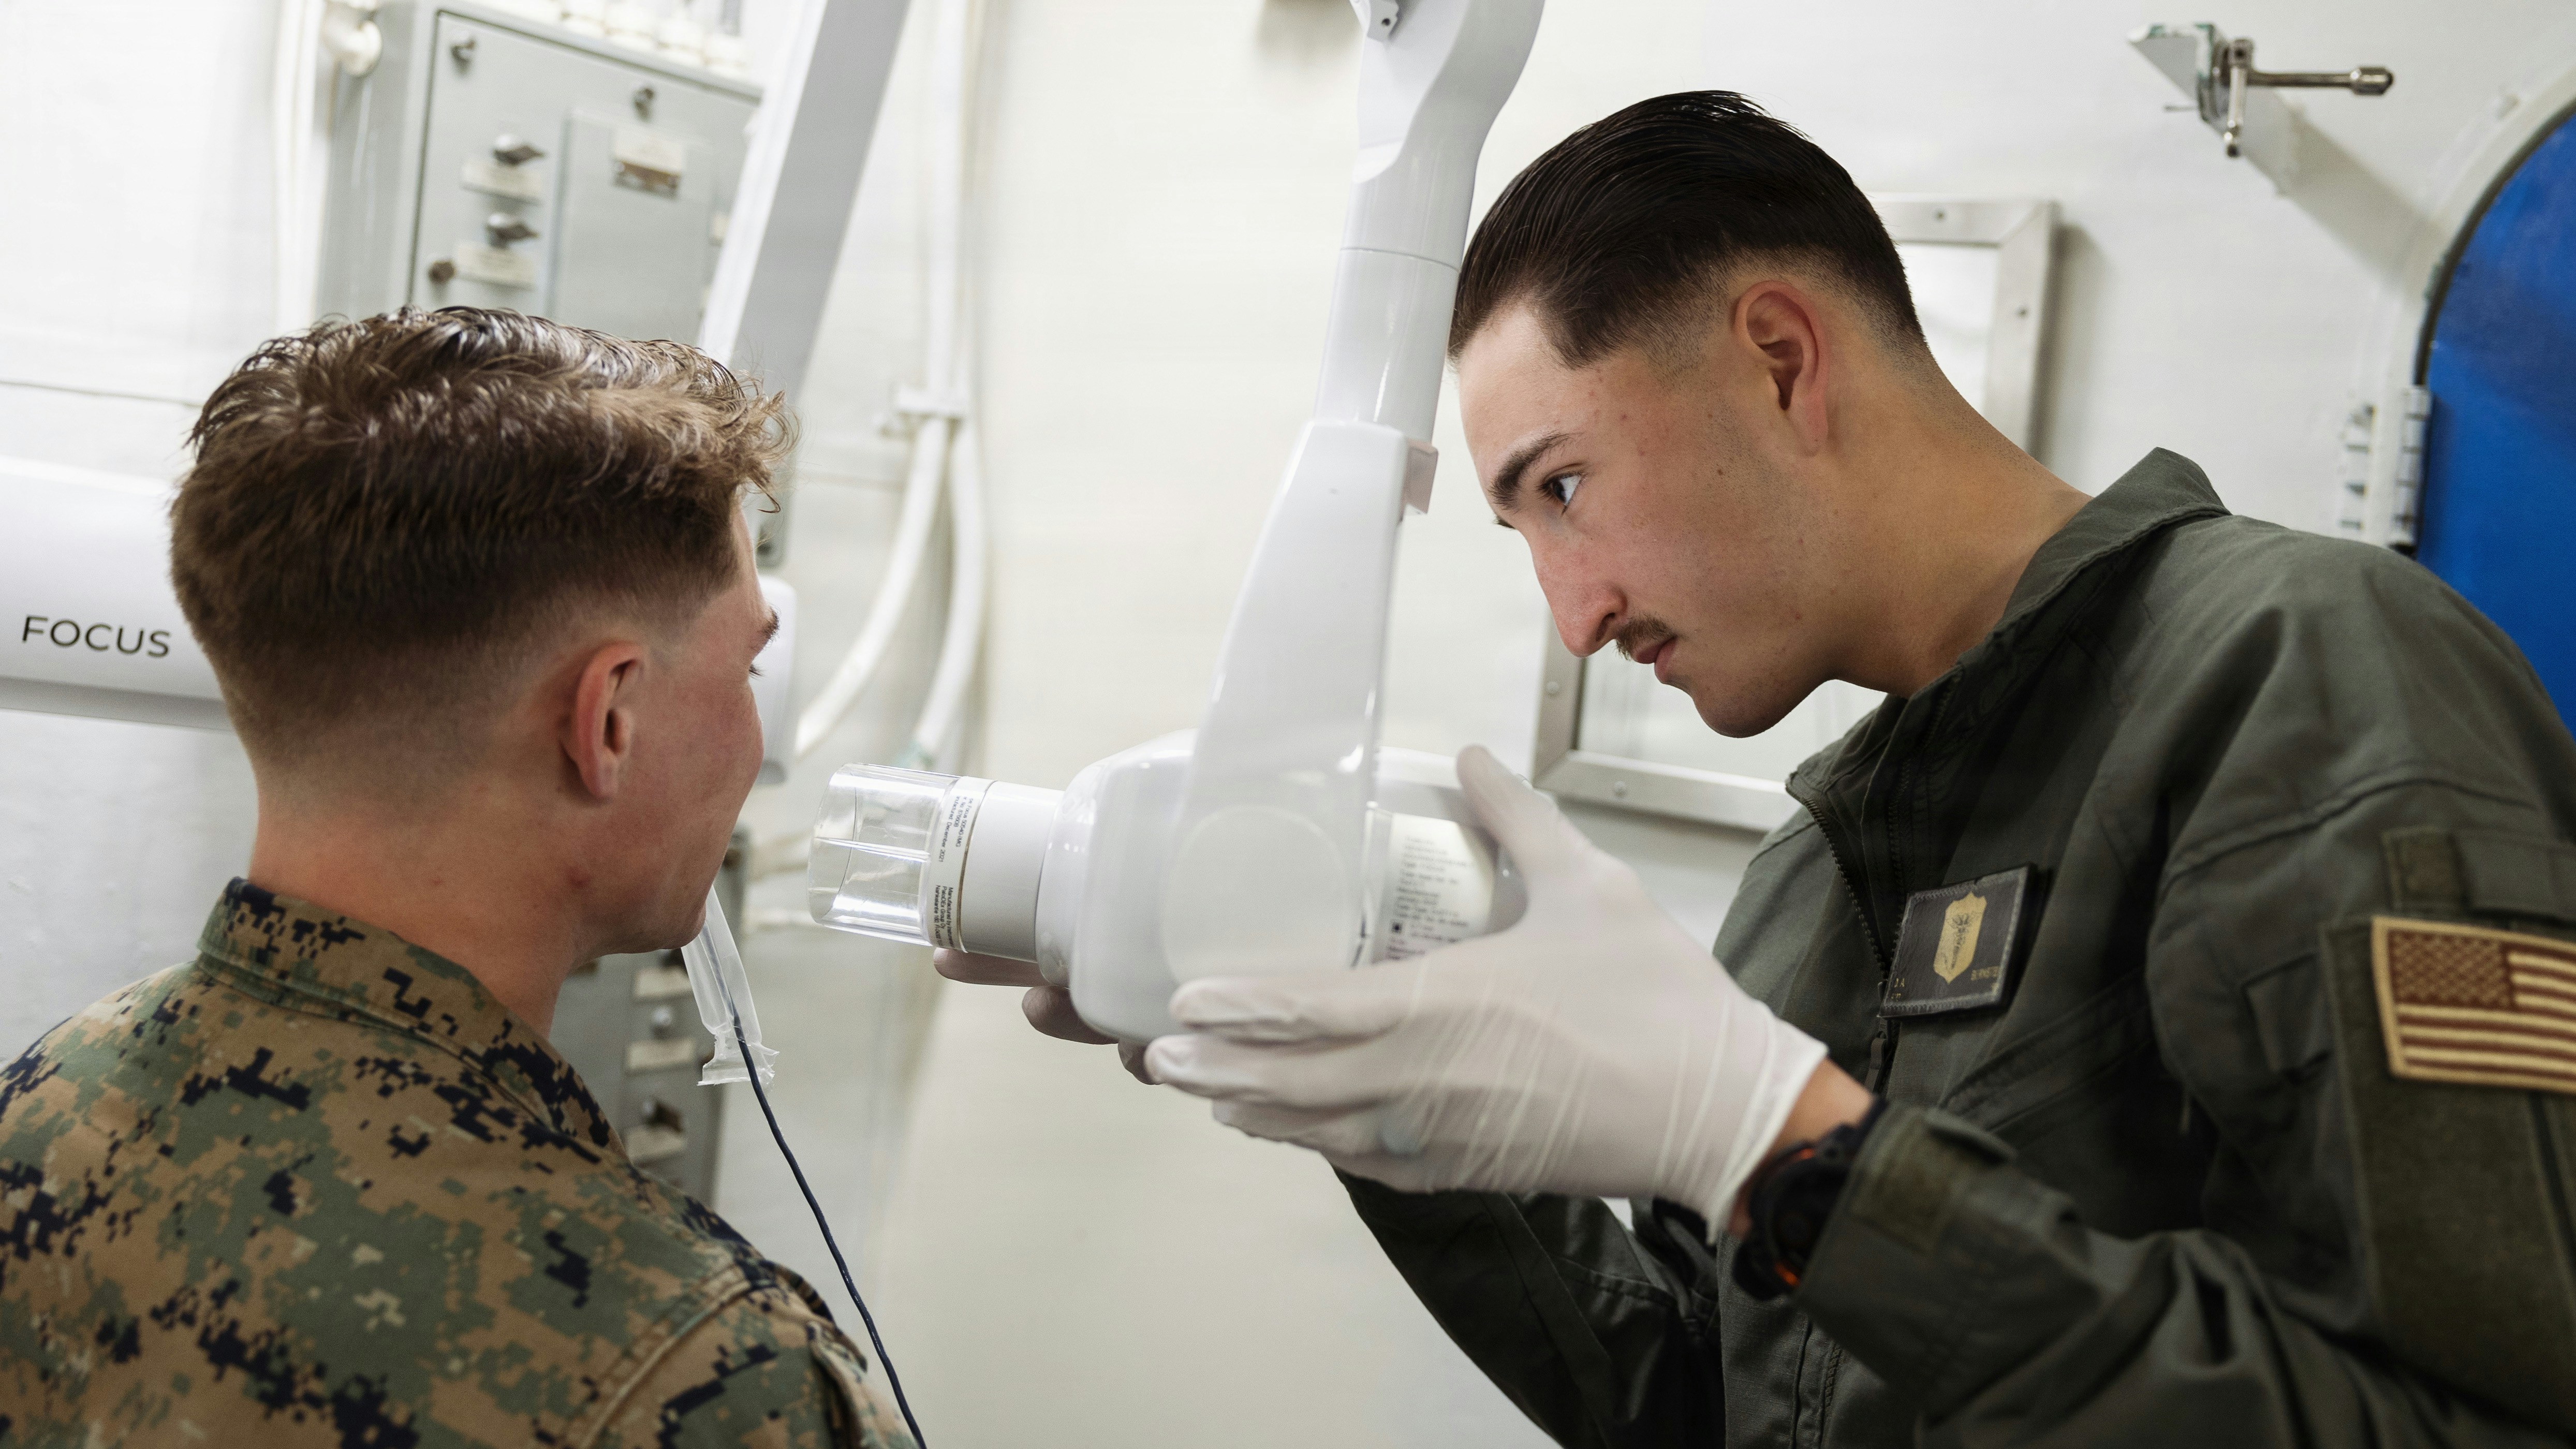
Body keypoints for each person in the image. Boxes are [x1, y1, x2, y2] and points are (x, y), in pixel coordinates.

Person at [941, 93, 2576, 1445]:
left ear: (1781, 360)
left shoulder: (2297, 679)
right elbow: (1699, 1401)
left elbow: (2471, 1417)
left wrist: (1789, 1148)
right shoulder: (1824, 872)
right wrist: (1400, 1122)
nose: (1571, 617)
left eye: (1563, 487)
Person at [0, 309, 911, 1447]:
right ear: (609, 718)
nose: (752, 727)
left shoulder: (41, 1099)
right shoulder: (702, 1370)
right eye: (750, 662)